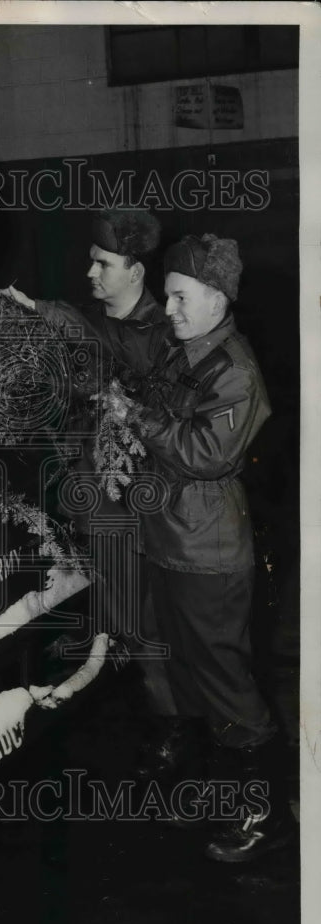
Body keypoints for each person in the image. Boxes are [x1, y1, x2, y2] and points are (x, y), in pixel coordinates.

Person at [112, 233, 296, 861]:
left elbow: (206, 455)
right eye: (168, 297)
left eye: (181, 297)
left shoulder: (235, 371)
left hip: (209, 553)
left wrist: (135, 417)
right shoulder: (182, 353)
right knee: (189, 675)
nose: (170, 309)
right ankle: (218, 796)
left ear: (218, 300)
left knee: (226, 684)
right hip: (170, 540)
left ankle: (267, 816)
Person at [0, 210, 179, 730]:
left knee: (151, 625)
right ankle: (156, 716)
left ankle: (176, 732)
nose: (91, 273)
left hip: (144, 516)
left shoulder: (164, 335)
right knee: (126, 620)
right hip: (98, 508)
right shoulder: (99, 320)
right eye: (92, 262)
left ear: (136, 273)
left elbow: (112, 366)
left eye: (104, 264)